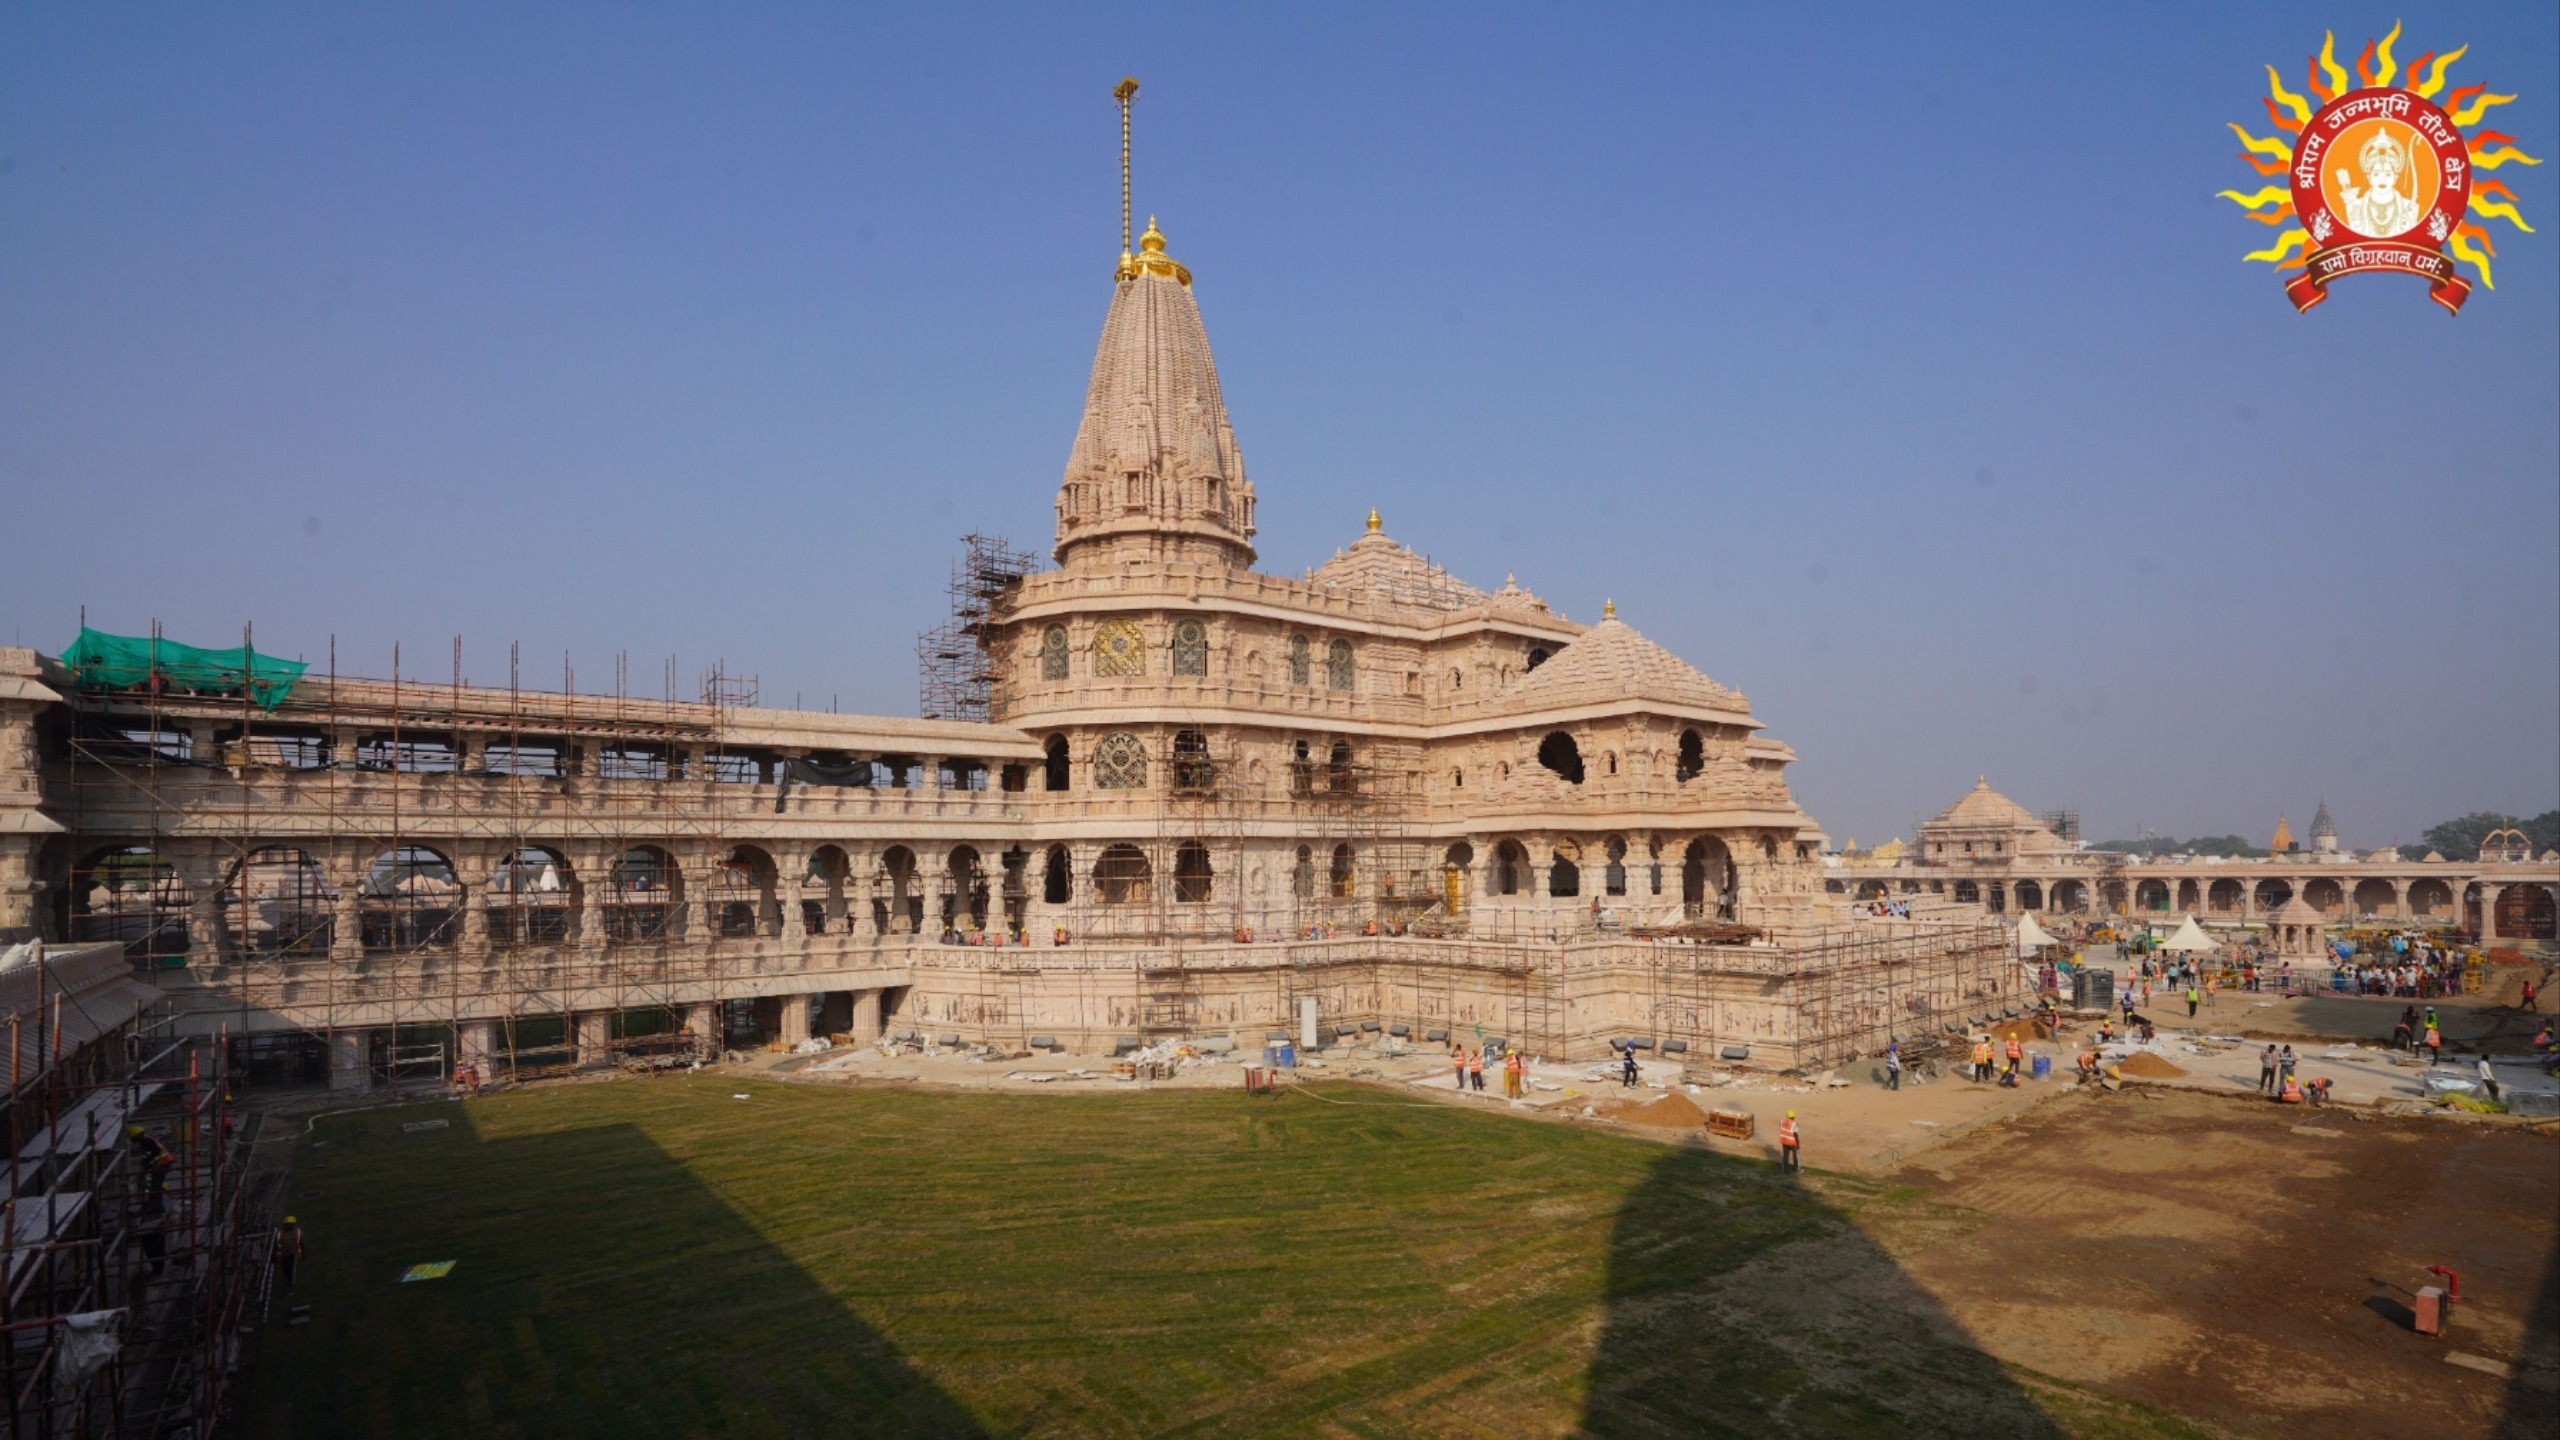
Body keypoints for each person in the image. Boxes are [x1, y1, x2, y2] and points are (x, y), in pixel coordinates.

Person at [274, 1215, 305, 1290]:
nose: (289, 1225)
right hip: (283, 1255)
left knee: (292, 1270)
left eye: (291, 1224)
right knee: (285, 1270)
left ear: (293, 1224)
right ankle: (288, 1281)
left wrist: (303, 1254)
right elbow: (276, 1245)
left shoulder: (297, 1232)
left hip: (293, 1254)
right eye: (287, 1224)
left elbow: (302, 1243)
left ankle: (291, 1285)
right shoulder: (280, 1233)